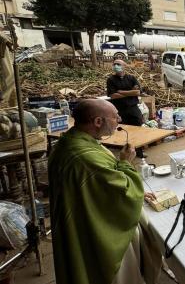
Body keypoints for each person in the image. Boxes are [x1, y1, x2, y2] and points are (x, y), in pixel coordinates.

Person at [48, 99, 160, 284]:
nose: (119, 119)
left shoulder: (74, 140)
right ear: (98, 122)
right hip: (97, 232)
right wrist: (125, 162)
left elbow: (101, 184)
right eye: (115, 117)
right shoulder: (84, 156)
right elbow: (123, 190)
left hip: (83, 219)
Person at [106, 60, 145, 157]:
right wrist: (130, 92)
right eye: (114, 64)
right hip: (120, 110)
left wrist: (121, 92)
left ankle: (139, 153)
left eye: (118, 64)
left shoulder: (131, 78)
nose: (116, 66)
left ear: (124, 66)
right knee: (125, 132)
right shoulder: (111, 80)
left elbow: (137, 92)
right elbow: (113, 96)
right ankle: (127, 153)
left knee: (138, 130)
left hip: (133, 109)